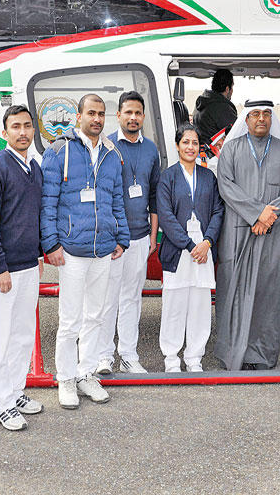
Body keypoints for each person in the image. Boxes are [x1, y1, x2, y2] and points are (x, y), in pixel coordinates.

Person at [41, 93, 130, 409]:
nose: (97, 119)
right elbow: (48, 202)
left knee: (96, 316)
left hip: (103, 249)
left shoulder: (111, 153)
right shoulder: (59, 151)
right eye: (91, 113)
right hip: (72, 250)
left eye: (101, 114)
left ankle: (86, 373)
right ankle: (66, 379)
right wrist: (51, 243)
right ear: (78, 116)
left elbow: (116, 199)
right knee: (70, 320)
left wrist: (121, 237)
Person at [214, 99, 280, 370]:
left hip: (272, 234)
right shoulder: (231, 149)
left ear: (271, 118)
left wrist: (268, 216)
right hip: (238, 233)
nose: (261, 118)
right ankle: (233, 355)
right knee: (234, 292)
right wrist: (257, 214)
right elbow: (226, 186)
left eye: (266, 114)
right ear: (246, 119)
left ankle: (262, 356)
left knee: (267, 294)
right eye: (254, 114)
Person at [0, 105, 44, 431]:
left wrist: (39, 256)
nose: (22, 132)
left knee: (22, 335)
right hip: (2, 271)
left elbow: (34, 215)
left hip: (28, 265)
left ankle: (15, 392)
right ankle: (0, 404)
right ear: (4, 133)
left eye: (27, 126)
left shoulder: (34, 168)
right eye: (15, 126)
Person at [96, 91, 161, 375]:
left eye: (137, 113)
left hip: (141, 236)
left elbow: (155, 194)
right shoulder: (107, 146)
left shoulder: (151, 150)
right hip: (113, 240)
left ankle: (128, 354)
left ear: (143, 116)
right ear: (119, 115)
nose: (133, 118)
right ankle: (103, 356)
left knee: (132, 297)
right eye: (128, 113)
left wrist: (153, 235)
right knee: (108, 298)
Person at [157, 124, 224, 372]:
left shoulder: (208, 177)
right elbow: (165, 216)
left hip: (203, 249)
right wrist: (189, 244)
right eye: (185, 142)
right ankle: (171, 359)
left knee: (200, 306)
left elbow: (218, 211)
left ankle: (195, 358)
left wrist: (207, 242)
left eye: (195, 143)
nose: (190, 147)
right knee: (174, 305)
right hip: (178, 250)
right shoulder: (168, 177)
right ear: (177, 146)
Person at [192, 69, 237, 147]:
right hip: (215, 152)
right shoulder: (223, 108)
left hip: (203, 150)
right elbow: (237, 134)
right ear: (227, 89)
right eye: (232, 87)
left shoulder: (202, 103)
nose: (232, 91)